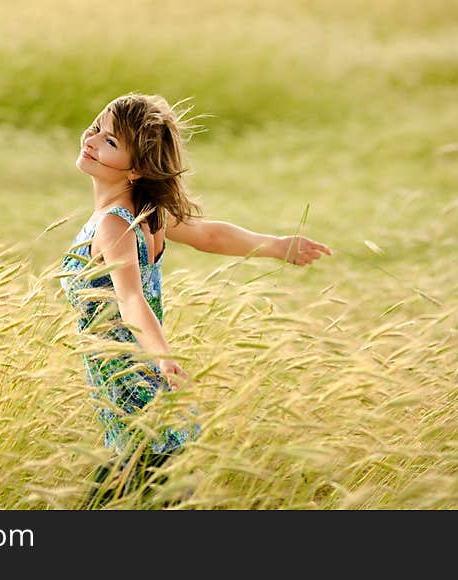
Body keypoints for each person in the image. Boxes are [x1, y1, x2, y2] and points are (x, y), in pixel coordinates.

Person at [59, 93, 333, 508]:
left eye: (110, 141)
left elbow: (131, 298)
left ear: (135, 169)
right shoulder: (142, 215)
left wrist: (163, 359)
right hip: (141, 405)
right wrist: (275, 245)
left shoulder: (115, 225)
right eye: (96, 127)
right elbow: (210, 235)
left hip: (139, 403)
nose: (92, 140)